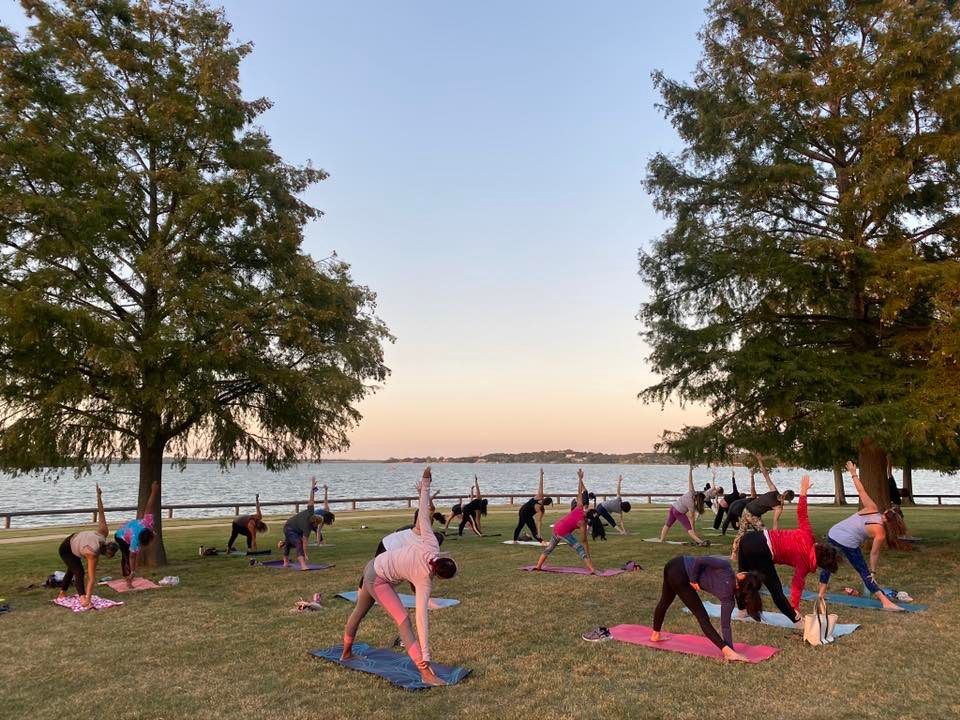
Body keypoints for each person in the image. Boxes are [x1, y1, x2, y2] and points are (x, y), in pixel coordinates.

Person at [341, 468, 458, 687]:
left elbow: (423, 513)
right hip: (378, 578)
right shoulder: (424, 579)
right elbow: (421, 619)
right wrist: (426, 657)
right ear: (440, 577)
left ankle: (346, 653)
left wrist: (425, 484)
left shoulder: (430, 542)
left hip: (373, 567)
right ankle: (425, 673)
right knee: (403, 621)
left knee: (360, 611)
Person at [736, 475, 840, 623]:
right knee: (775, 590)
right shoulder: (805, 565)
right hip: (763, 548)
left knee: (741, 577)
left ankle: (741, 610)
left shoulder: (808, 536)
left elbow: (802, 514)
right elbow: (797, 586)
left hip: (750, 538)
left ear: (820, 547)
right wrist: (795, 607)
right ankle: (796, 621)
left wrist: (803, 492)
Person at [818, 461, 905, 611]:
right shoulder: (880, 532)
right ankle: (886, 602)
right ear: (892, 523)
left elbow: (861, 490)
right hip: (848, 543)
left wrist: (853, 472)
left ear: (885, 512)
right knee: (864, 572)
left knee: (828, 563)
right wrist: (872, 571)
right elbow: (874, 553)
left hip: (834, 533)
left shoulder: (872, 508)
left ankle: (820, 595)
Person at [647, 555, 764, 662]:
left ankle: (655, 635)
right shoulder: (729, 599)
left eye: (744, 572)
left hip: (674, 565)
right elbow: (725, 626)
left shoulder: (726, 567)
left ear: (742, 578)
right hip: (680, 569)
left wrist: (730, 650)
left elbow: (700, 559)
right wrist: (693, 579)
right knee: (702, 617)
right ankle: (728, 652)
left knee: (666, 601)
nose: (742, 571)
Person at [57, 485, 118, 607]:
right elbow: (91, 579)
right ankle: (82, 598)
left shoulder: (103, 533)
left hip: (73, 541)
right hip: (66, 549)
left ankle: (62, 593)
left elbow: (101, 513)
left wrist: (99, 496)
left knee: (72, 568)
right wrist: (88, 599)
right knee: (79, 571)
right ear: (106, 552)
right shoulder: (92, 554)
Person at [730, 453, 795, 559]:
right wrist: (759, 460)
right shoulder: (777, 502)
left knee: (743, 532)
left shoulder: (775, 496)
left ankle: (734, 554)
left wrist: (760, 460)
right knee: (765, 534)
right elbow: (775, 524)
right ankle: (768, 552)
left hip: (748, 510)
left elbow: (766, 475)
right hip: (751, 513)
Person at [533, 469, 598, 574]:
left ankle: (538, 566)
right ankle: (592, 569)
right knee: (580, 549)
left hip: (557, 527)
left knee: (550, 548)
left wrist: (580, 479)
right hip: (563, 532)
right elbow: (584, 541)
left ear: (588, 510)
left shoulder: (579, 507)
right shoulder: (583, 523)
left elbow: (579, 493)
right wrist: (588, 556)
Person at [280, 479, 333, 570]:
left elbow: (312, 499)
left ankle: (285, 561)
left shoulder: (310, 514)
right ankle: (303, 565)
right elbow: (304, 543)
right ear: (314, 522)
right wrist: (305, 554)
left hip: (296, 528)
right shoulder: (308, 524)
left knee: (289, 543)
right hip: (289, 527)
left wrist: (313, 487)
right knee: (298, 542)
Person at [114, 481, 159, 586]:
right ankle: (128, 579)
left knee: (129, 556)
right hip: (120, 537)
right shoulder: (135, 542)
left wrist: (154, 492)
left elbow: (149, 507)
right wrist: (133, 572)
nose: (154, 537)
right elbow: (132, 557)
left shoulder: (148, 523)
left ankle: (129, 575)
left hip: (128, 530)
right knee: (127, 557)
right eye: (152, 540)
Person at [658, 464, 709, 545]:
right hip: (678, 512)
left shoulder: (691, 492)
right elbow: (691, 519)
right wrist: (693, 530)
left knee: (668, 524)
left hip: (673, 507)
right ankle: (700, 542)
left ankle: (661, 540)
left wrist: (690, 470)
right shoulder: (691, 505)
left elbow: (690, 481)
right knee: (689, 528)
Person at [513, 469, 554, 543]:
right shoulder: (540, 508)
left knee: (528, 527)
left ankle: (541, 541)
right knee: (523, 526)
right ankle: (541, 541)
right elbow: (539, 522)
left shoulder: (539, 497)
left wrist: (541, 475)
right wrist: (541, 475)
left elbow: (541, 485)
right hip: (523, 512)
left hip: (524, 511)